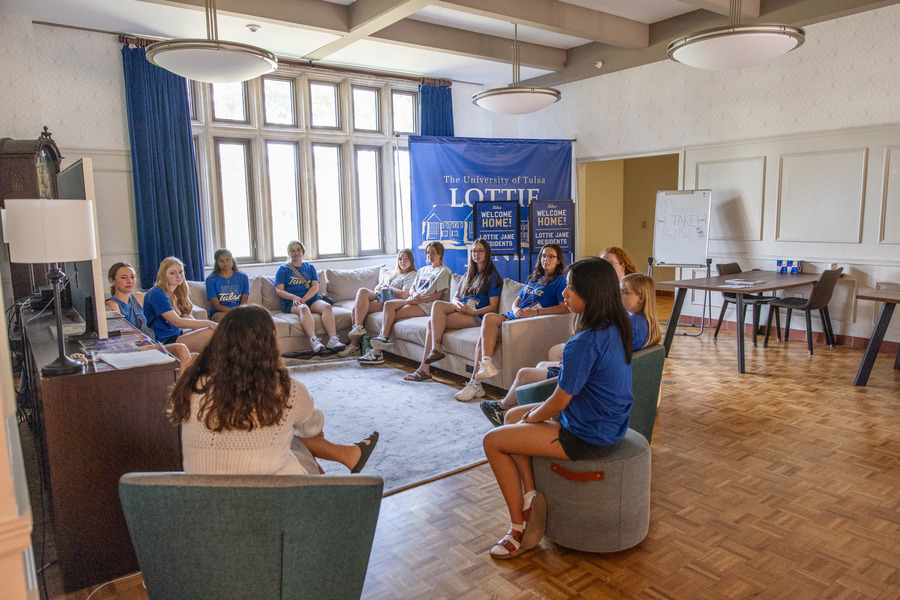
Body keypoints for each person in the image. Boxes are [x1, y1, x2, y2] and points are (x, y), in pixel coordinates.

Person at [482, 258, 634, 559]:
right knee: (511, 416)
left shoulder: (583, 342)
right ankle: (530, 496)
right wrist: (526, 417)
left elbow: (560, 400)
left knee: (494, 441)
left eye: (571, 289)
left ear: (591, 294)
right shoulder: (618, 327)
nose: (564, 293)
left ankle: (518, 527)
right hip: (607, 421)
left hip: (589, 435)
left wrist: (533, 416)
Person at [168, 305, 378, 476]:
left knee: (288, 431)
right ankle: (334, 482)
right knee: (295, 433)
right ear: (269, 343)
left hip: (203, 505)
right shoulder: (287, 389)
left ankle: (350, 456)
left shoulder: (192, 383)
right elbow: (315, 429)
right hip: (271, 505)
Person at [480, 272, 661, 427]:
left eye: (624, 292)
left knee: (524, 375)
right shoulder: (641, 324)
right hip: (597, 383)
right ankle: (507, 408)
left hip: (588, 390)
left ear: (641, 297)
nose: (618, 296)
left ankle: (502, 407)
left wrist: (529, 419)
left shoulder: (627, 327)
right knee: (543, 363)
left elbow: (592, 362)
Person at [454, 244, 568, 402]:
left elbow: (564, 308)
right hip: (513, 316)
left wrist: (535, 312)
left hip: (526, 322)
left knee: (483, 338)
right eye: (543, 256)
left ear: (558, 260)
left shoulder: (560, 281)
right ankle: (485, 366)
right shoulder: (535, 278)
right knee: (488, 318)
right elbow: (518, 300)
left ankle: (475, 384)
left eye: (551, 256)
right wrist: (514, 309)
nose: (546, 259)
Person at [403, 238, 502, 382]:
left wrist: (472, 312)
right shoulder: (467, 275)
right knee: (437, 304)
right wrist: (457, 304)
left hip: (475, 316)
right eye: (474, 251)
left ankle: (424, 368)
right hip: (459, 308)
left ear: (487, 253)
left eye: (480, 251)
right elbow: (455, 297)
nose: (477, 254)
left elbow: (493, 307)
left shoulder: (493, 277)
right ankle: (435, 350)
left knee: (432, 323)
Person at [360, 242, 451, 365]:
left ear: (440, 254)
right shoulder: (422, 270)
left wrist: (420, 300)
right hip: (415, 300)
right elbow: (413, 288)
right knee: (389, 305)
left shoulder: (444, 271)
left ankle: (377, 352)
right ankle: (383, 339)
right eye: (428, 252)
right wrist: (413, 295)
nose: (430, 255)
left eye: (433, 252)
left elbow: (439, 295)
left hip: (427, 305)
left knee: (392, 315)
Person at [105, 261, 193, 368]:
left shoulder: (138, 297)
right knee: (181, 349)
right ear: (112, 280)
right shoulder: (112, 304)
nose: (129, 281)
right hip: (133, 348)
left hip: (149, 343)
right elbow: (119, 335)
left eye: (132, 277)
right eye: (124, 278)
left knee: (196, 357)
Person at [337, 249, 417, 358]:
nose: (402, 262)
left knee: (356, 310)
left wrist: (389, 288)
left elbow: (404, 295)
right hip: (380, 295)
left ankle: (354, 345)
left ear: (411, 260)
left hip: (390, 299)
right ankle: (358, 327)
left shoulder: (411, 274)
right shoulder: (393, 274)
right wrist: (378, 288)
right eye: (400, 259)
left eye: (405, 259)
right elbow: (378, 286)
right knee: (362, 291)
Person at [275, 240, 344, 354]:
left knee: (327, 307)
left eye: (298, 250)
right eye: (292, 251)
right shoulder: (283, 269)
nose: (296, 253)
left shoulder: (310, 267)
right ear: (289, 253)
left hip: (310, 298)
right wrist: (294, 298)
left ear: (303, 251)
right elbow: (279, 290)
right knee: (303, 308)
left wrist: (305, 298)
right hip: (291, 302)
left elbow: (315, 287)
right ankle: (314, 341)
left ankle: (333, 340)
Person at [142, 257, 217, 353]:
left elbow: (188, 318)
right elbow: (177, 322)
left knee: (214, 332)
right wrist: (210, 323)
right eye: (172, 273)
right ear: (163, 275)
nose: (178, 276)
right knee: (211, 332)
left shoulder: (177, 292)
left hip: (176, 334)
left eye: (180, 272)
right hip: (162, 341)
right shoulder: (157, 293)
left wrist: (211, 327)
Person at [205, 248, 250, 322]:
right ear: (217, 263)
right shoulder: (211, 279)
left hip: (239, 311)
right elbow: (216, 305)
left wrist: (238, 312)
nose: (225, 264)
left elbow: (244, 302)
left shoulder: (243, 277)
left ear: (232, 260)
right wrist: (233, 312)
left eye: (227, 260)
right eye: (221, 261)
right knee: (220, 318)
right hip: (220, 312)